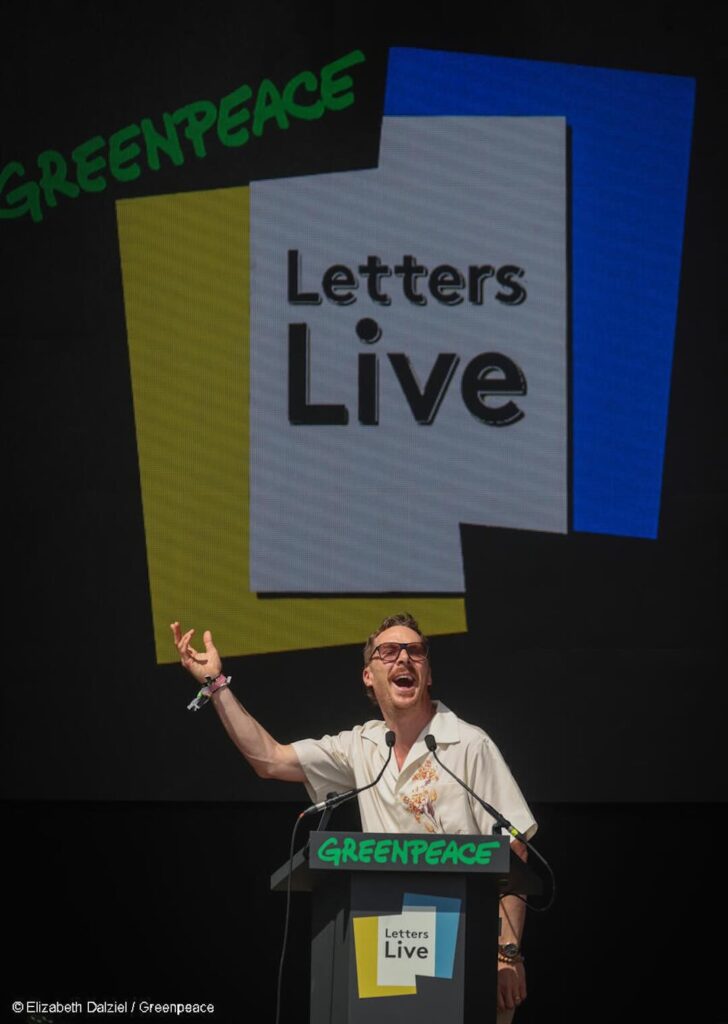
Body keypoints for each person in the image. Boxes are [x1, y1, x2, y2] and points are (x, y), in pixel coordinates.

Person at [171, 613, 536, 1022]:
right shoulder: (362, 746)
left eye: (415, 651)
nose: (404, 659)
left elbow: (513, 846)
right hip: (389, 941)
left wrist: (507, 955)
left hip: (466, 946)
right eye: (389, 651)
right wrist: (216, 685)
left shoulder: (469, 743)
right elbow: (269, 759)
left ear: (428, 673)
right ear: (368, 675)